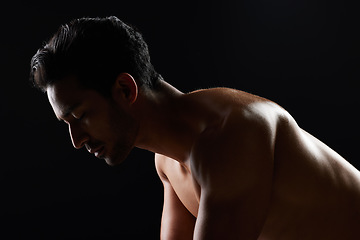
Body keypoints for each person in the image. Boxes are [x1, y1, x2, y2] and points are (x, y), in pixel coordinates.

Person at [30, 16, 360, 239]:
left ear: (126, 90)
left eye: (80, 115)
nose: (76, 140)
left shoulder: (232, 134)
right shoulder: (168, 162)